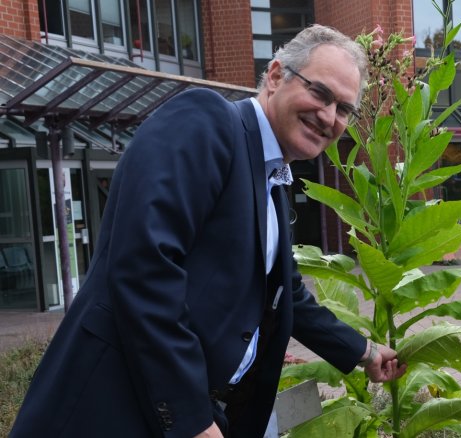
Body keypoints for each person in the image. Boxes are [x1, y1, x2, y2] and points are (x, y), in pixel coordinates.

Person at [12, 25, 406, 438]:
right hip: (109, 407)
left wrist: (364, 352)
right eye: (320, 93)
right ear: (276, 76)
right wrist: (192, 419)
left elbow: (284, 295)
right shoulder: (208, 121)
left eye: (343, 109)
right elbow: (145, 267)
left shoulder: (272, 182)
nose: (328, 116)